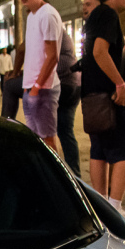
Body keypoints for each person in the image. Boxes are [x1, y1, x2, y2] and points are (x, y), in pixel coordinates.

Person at [79, 0, 125, 210]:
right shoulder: (108, 14)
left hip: (94, 96)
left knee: (99, 149)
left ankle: (102, 207)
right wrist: (120, 84)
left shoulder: (95, 17)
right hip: (110, 96)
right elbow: (100, 52)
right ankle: (114, 208)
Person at [18, 0, 64, 158]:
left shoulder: (47, 15)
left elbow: (52, 56)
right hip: (31, 88)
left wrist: (37, 87)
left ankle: (57, 180)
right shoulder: (32, 16)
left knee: (48, 140)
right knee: (36, 138)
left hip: (43, 88)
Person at [56, 30, 81, 174]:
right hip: (74, 83)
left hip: (64, 83)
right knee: (65, 131)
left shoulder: (50, 26)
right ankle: (74, 173)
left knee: (60, 130)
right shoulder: (61, 31)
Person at [0, 42, 24, 119]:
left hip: (43, 81)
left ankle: (6, 125)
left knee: (9, 85)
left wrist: (15, 73)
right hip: (58, 78)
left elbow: (21, 50)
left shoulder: (35, 29)